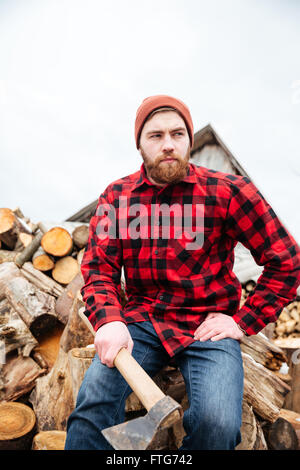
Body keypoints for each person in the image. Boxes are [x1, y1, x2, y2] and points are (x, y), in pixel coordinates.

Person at [65, 95, 300, 450]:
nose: (169, 145)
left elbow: (286, 260)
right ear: (139, 144)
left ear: (190, 139)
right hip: (141, 321)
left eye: (178, 134)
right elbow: (99, 268)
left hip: (209, 328)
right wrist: (110, 321)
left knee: (218, 424)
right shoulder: (117, 197)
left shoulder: (229, 192)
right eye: (156, 136)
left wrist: (242, 321)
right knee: (93, 404)